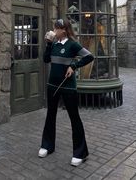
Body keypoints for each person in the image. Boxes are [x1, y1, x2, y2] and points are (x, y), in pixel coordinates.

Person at [38, 19, 94, 167]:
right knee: (50, 115)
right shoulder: (54, 44)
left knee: (74, 118)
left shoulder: (72, 44)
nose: (54, 31)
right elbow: (45, 59)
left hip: (68, 87)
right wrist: (48, 43)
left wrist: (74, 66)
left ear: (63, 30)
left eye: (56, 28)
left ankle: (80, 154)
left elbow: (89, 56)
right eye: (54, 28)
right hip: (52, 85)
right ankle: (47, 146)